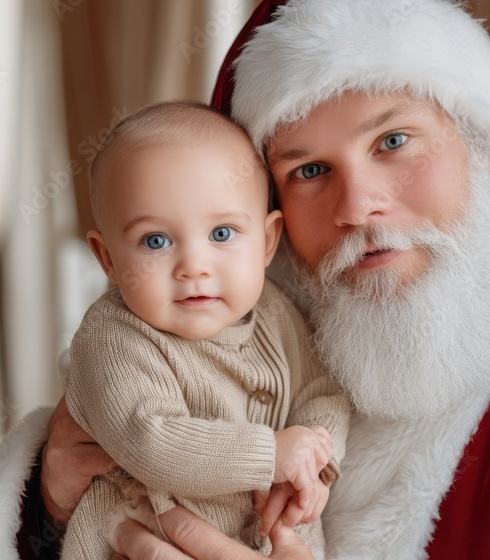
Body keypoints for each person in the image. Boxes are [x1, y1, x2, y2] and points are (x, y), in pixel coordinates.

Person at [0, 1, 490, 559]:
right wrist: (50, 511)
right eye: (308, 170)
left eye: (396, 140)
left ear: (476, 142)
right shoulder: (212, 329)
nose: (358, 206)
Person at [51, 101, 349, 559]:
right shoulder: (111, 337)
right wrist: (271, 453)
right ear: (108, 259)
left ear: (268, 241)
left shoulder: (274, 309)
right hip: (145, 540)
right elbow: (150, 439)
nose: (194, 266)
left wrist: (315, 458)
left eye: (223, 233)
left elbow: (322, 388)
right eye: (156, 241)